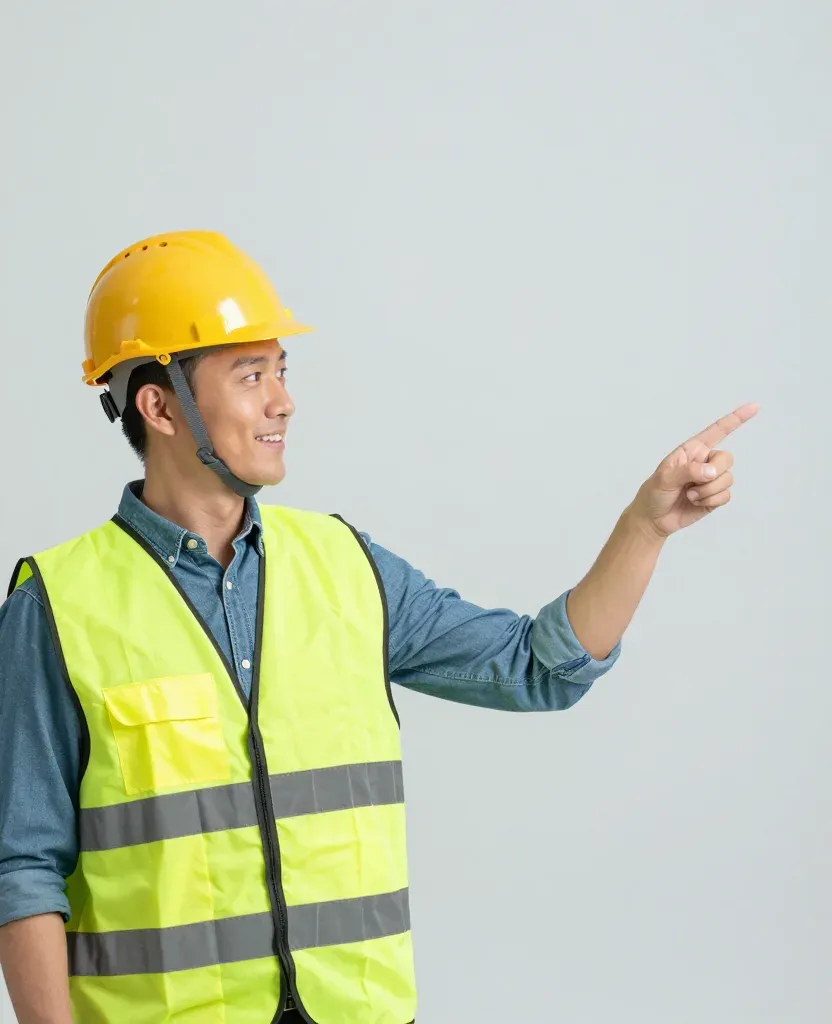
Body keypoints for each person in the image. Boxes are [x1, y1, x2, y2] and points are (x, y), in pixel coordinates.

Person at [0, 230, 757, 1024]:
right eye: (250, 374)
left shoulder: (347, 568)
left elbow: (537, 669)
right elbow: (21, 867)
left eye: (282, 370)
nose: (283, 401)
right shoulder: (59, 606)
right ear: (159, 406)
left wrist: (645, 527)